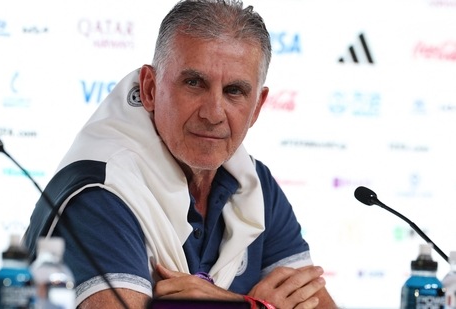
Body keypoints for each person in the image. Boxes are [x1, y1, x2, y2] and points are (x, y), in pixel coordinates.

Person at [23, 0, 337, 308]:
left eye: (234, 91)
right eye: (193, 83)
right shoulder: (103, 190)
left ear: (256, 106)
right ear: (149, 89)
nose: (213, 113)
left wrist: (229, 303)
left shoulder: (257, 185)